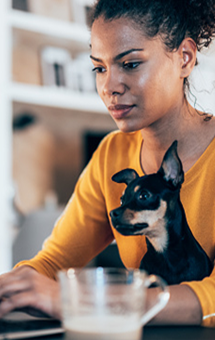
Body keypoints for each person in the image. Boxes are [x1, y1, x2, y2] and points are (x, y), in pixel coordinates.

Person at [1, 0, 215, 327]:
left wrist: (78, 300)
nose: (109, 87)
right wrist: (16, 289)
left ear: (184, 57)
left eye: (129, 64)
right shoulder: (111, 153)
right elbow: (53, 262)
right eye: (99, 68)